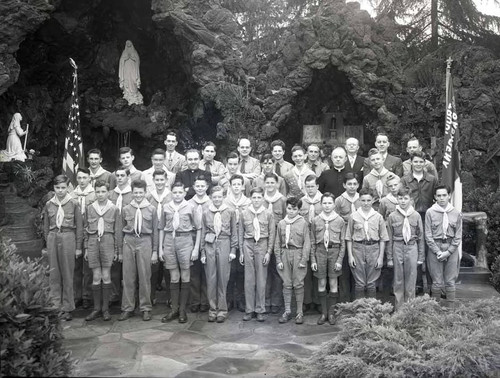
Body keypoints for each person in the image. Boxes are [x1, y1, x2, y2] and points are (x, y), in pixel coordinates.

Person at [159, 182, 202, 323]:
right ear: (171, 193)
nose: (177, 195)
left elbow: (199, 228)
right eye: (175, 192)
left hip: (185, 241)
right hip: (169, 241)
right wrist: (161, 248)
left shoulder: (191, 207)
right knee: (174, 276)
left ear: (184, 193)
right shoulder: (166, 207)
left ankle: (183, 310)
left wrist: (196, 248)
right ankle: (174, 309)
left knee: (185, 274)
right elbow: (161, 228)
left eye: (180, 192)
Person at [43, 175, 83, 321]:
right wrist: (47, 243)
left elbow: (79, 226)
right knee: (54, 274)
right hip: (53, 237)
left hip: (68, 237)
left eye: (63, 188)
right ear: (53, 188)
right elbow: (46, 226)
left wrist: (78, 247)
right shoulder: (49, 204)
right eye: (57, 188)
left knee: (67, 273)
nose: (60, 191)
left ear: (68, 188)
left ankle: (67, 307)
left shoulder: (73, 204)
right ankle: (55, 306)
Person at [118, 180, 158, 321]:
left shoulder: (151, 209)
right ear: (132, 193)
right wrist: (120, 251)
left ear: (145, 193)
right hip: (129, 241)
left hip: (145, 241)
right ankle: (127, 307)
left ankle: (145, 307)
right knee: (128, 277)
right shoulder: (126, 209)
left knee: (144, 276)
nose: (138, 195)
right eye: (135, 192)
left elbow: (155, 231)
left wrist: (155, 250)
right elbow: (120, 230)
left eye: (141, 192)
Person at [83, 180, 122, 321]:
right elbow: (86, 230)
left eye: (103, 191)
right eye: (98, 191)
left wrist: (118, 251)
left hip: (108, 241)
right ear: (95, 192)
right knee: (96, 276)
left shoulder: (114, 209)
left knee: (106, 275)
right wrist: (86, 247)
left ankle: (105, 309)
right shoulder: (90, 208)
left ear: (108, 192)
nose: (100, 194)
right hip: (93, 242)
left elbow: (117, 231)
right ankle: (96, 308)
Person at [401, 151, 438, 294]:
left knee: (428, 251)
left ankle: (431, 286)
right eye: (415, 162)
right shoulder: (404, 180)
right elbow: (403, 199)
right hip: (411, 218)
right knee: (414, 251)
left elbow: (436, 198)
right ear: (411, 163)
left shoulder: (432, 179)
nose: (418, 164)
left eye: (421, 162)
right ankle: (415, 286)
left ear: (425, 163)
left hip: (428, 217)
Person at [200, 186, 238, 322]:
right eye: (214, 197)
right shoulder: (206, 212)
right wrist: (202, 251)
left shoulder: (230, 211)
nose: (217, 199)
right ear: (210, 197)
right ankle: (212, 309)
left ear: (223, 197)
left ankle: (222, 309)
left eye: (219, 197)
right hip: (210, 244)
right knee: (211, 279)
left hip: (224, 243)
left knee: (223, 278)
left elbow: (234, 232)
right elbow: (203, 233)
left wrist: (233, 250)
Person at [239, 187, 276, 322]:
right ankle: (249, 310)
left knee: (261, 279)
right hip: (248, 244)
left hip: (262, 244)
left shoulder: (268, 214)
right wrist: (241, 252)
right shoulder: (244, 213)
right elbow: (240, 233)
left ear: (263, 198)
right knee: (249, 279)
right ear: (250, 198)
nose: (256, 200)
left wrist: (268, 252)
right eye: (254, 197)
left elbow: (272, 234)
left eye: (259, 197)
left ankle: (260, 309)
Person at [345, 188, 389, 299]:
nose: (366, 203)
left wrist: (380, 257)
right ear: (359, 200)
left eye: (368, 200)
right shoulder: (353, 216)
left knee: (371, 283)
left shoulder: (378, 217)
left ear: (373, 200)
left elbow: (383, 238)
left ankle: (371, 310)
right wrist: (350, 256)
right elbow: (349, 238)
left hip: (374, 248)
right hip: (358, 248)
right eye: (363, 200)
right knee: (359, 283)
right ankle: (360, 311)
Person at [386, 187, 424, 310]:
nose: (403, 201)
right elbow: (389, 238)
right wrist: (390, 258)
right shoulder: (392, 216)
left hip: (412, 247)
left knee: (411, 280)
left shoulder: (416, 215)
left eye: (405, 198)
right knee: (398, 280)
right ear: (397, 199)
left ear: (411, 199)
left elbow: (421, 237)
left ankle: (410, 310)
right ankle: (399, 310)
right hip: (397, 247)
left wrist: (420, 256)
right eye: (400, 198)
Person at [311, 193, 346, 325]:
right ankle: (323, 313)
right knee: (321, 282)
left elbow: (343, 243)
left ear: (334, 204)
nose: (327, 206)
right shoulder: (316, 220)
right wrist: (313, 260)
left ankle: (331, 313)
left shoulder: (340, 220)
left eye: (329, 203)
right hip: (320, 252)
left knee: (333, 282)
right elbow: (313, 242)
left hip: (334, 251)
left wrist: (339, 260)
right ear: (321, 204)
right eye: (324, 203)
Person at [424, 185, 463, 305]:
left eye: (444, 195)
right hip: (435, 247)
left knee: (450, 281)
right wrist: (437, 251)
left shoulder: (456, 213)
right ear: (435, 197)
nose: (441, 198)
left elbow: (458, 235)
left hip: (451, 247)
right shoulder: (430, 212)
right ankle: (435, 310)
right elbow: (428, 235)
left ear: (449, 196)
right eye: (439, 195)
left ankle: (451, 311)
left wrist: (449, 252)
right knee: (436, 281)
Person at [275, 197, 310, 324]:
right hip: (285, 253)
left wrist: (304, 259)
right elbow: (277, 242)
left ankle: (299, 312)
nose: (291, 211)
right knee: (287, 283)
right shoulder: (281, 223)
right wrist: (278, 259)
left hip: (298, 253)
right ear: (286, 208)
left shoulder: (303, 223)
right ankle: (288, 310)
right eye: (289, 208)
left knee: (298, 283)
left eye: (294, 209)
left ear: (299, 210)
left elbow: (307, 243)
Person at [224, 174, 251, 312]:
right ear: (230, 186)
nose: (236, 187)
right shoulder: (225, 202)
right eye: (233, 184)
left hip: (244, 238)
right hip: (228, 239)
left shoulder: (248, 202)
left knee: (241, 270)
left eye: (238, 184)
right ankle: (229, 299)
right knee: (230, 270)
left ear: (243, 186)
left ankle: (240, 299)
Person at [146, 170, 172, 305]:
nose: (160, 182)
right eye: (157, 180)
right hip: (152, 234)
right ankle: (151, 296)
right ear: (153, 181)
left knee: (168, 267)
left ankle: (170, 297)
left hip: (167, 234)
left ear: (166, 180)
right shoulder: (149, 196)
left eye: (162, 180)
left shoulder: (172, 196)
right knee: (153, 266)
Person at [71, 168, 96, 309]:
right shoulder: (72, 195)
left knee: (88, 268)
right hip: (75, 234)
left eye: (84, 178)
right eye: (79, 178)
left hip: (89, 232)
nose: (81, 181)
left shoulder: (94, 195)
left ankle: (87, 295)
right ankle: (77, 295)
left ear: (89, 179)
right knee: (76, 267)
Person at [108, 166, 133, 304]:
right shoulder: (111, 194)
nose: (119, 178)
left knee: (129, 268)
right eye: (117, 175)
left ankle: (129, 296)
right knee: (114, 266)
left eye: (123, 175)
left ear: (128, 177)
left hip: (128, 233)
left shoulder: (132, 194)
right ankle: (114, 294)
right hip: (112, 233)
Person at [263, 173, 287, 314]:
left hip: (278, 239)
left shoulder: (282, 200)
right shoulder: (261, 199)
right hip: (264, 239)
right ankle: (265, 301)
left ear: (277, 184)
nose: (270, 185)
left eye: (273, 183)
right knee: (265, 270)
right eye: (268, 183)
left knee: (277, 270)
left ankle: (276, 301)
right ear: (264, 184)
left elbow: (285, 221)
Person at [299, 174, 323, 312]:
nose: (310, 189)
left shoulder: (323, 200)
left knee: (319, 269)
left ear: (317, 186)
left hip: (319, 238)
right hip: (305, 239)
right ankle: (307, 301)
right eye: (307, 186)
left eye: (312, 186)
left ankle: (318, 300)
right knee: (306, 271)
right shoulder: (301, 201)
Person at [188, 174, 211, 313]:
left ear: (207, 187)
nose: (200, 188)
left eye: (203, 186)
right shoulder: (189, 203)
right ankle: (195, 300)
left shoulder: (211, 202)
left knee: (206, 270)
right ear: (193, 187)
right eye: (197, 186)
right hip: (192, 239)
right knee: (194, 271)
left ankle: (205, 300)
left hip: (208, 239)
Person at [119, 40, 143, 105]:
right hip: (126, 70)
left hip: (133, 69)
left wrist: (132, 58)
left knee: (133, 80)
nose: (128, 44)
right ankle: (128, 96)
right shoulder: (124, 52)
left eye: (129, 43)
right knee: (127, 81)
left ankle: (134, 96)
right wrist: (125, 58)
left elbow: (138, 60)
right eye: (127, 43)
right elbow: (121, 62)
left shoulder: (134, 52)